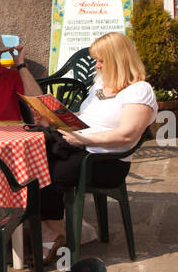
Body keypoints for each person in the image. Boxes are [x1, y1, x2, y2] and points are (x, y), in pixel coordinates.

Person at [36, 31, 157, 260]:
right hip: (80, 148)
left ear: (117, 60)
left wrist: (83, 139)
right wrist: (54, 116)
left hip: (106, 161)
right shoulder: (99, 87)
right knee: (33, 161)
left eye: (101, 60)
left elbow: (127, 135)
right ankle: (52, 230)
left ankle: (55, 234)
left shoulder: (139, 91)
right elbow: (85, 118)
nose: (98, 66)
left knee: (51, 171)